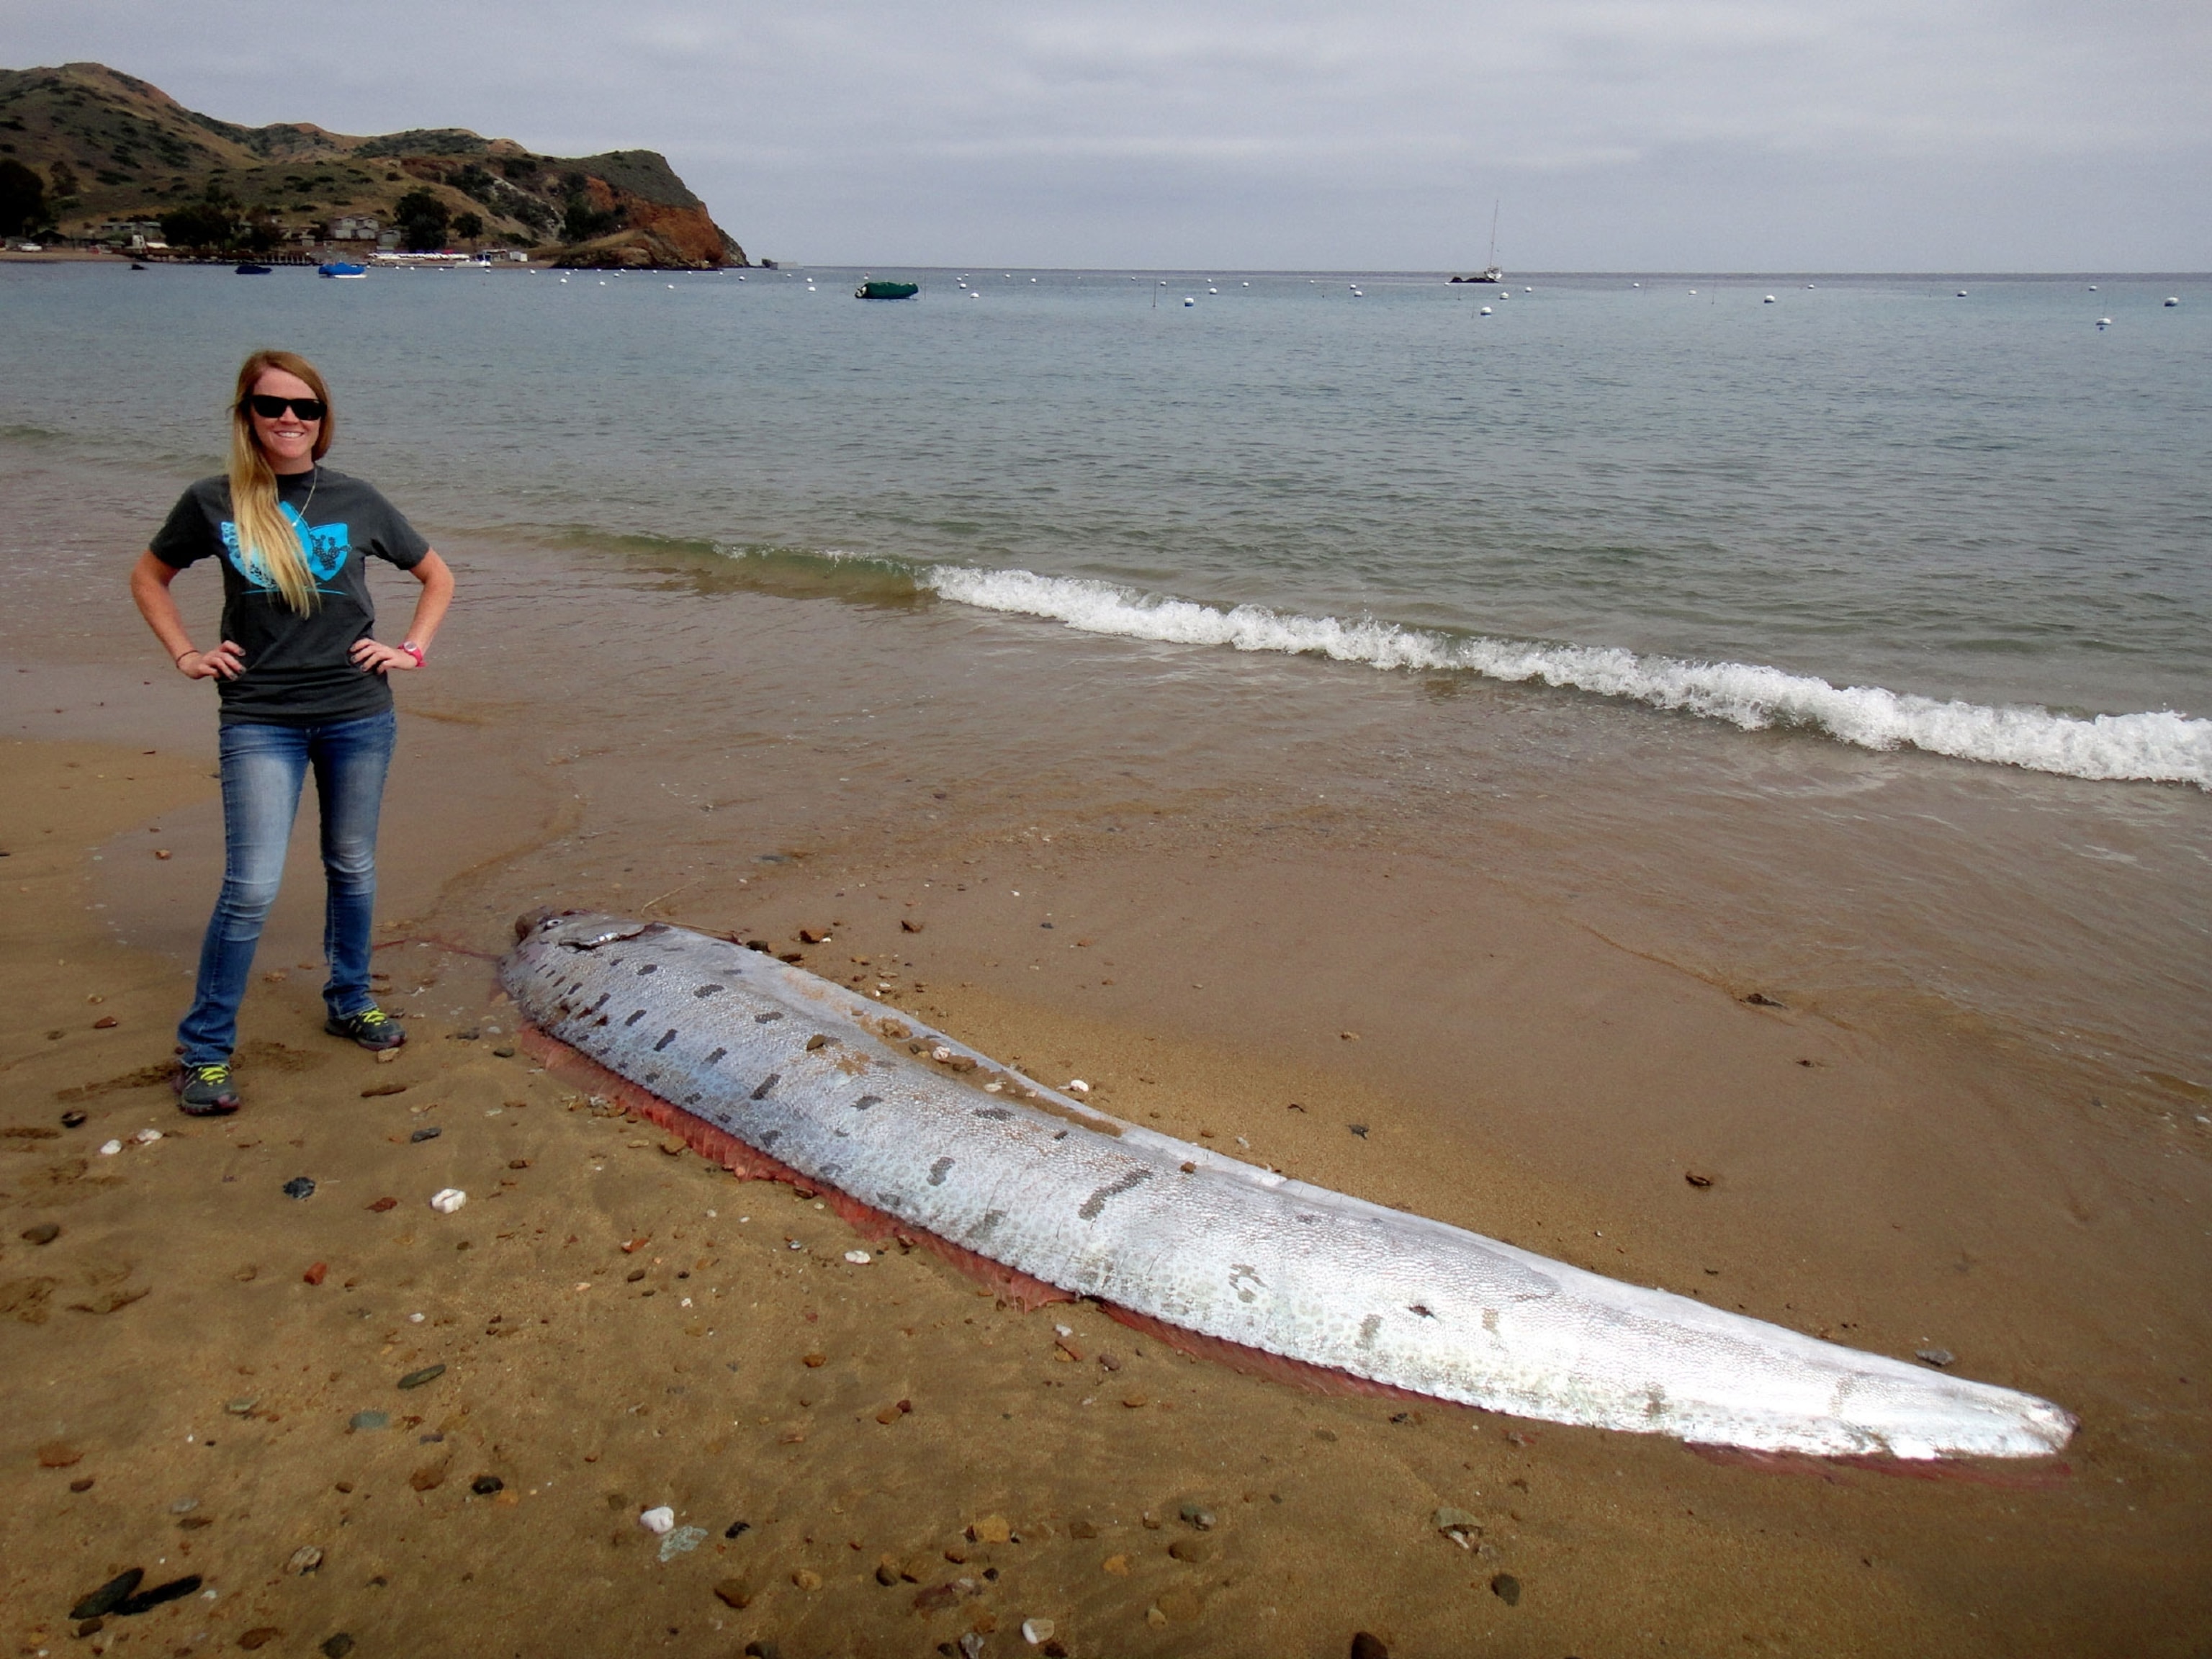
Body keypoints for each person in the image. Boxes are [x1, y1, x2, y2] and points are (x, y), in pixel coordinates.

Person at [130, 349, 454, 1115]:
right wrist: (185, 652)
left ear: (322, 420)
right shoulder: (213, 501)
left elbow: (436, 576)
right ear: (247, 415)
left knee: (352, 865)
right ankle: (204, 1052)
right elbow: (149, 576)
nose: (289, 420)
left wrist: (410, 650)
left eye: (305, 408)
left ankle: (350, 1001)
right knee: (251, 886)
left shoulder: (357, 498)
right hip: (260, 718)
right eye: (273, 406)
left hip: (357, 712)